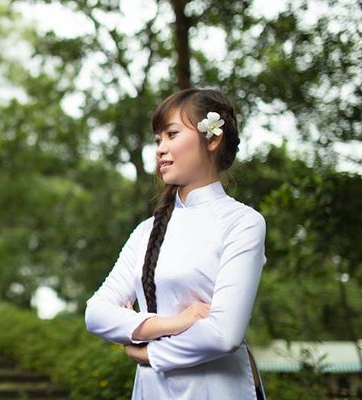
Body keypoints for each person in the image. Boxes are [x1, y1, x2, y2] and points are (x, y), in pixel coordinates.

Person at [85, 88, 267, 399]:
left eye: (171, 134)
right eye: (158, 140)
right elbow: (96, 313)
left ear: (212, 139)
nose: (160, 149)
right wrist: (176, 322)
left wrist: (146, 353)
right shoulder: (146, 231)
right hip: (151, 389)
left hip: (216, 389)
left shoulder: (242, 223)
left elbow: (224, 335)